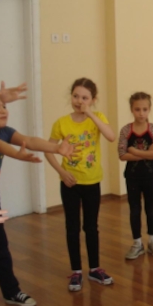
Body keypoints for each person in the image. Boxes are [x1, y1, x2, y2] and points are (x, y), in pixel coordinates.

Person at [0, 92, 77, 306]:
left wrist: (56, 148)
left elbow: (30, 141)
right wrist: (17, 155)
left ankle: (11, 291)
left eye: (4, 106)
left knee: (0, 248)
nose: (3, 110)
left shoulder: (6, 131)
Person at [46, 78, 116, 292]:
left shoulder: (98, 118)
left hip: (92, 182)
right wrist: (62, 172)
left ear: (93, 100)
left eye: (85, 98)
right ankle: (76, 271)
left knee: (91, 226)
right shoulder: (61, 123)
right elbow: (48, 150)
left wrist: (91, 114)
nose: (79, 101)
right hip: (70, 183)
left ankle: (95, 268)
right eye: (76, 96)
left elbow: (111, 136)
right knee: (72, 226)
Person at [119, 92, 153, 259]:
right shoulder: (126, 130)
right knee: (134, 209)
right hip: (132, 177)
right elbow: (122, 155)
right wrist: (147, 153)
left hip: (150, 176)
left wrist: (135, 151)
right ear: (132, 109)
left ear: (149, 109)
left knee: (151, 208)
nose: (141, 113)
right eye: (137, 109)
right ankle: (137, 243)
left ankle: (152, 241)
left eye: (145, 109)